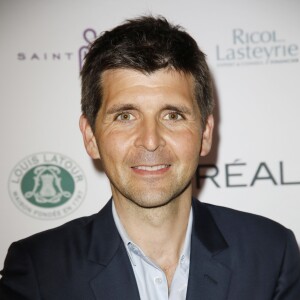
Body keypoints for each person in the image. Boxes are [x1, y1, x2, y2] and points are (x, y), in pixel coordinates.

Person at [0, 15, 300, 300]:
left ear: (205, 133)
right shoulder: (39, 268)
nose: (151, 140)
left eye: (172, 115)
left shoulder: (271, 253)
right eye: (125, 116)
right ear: (91, 137)